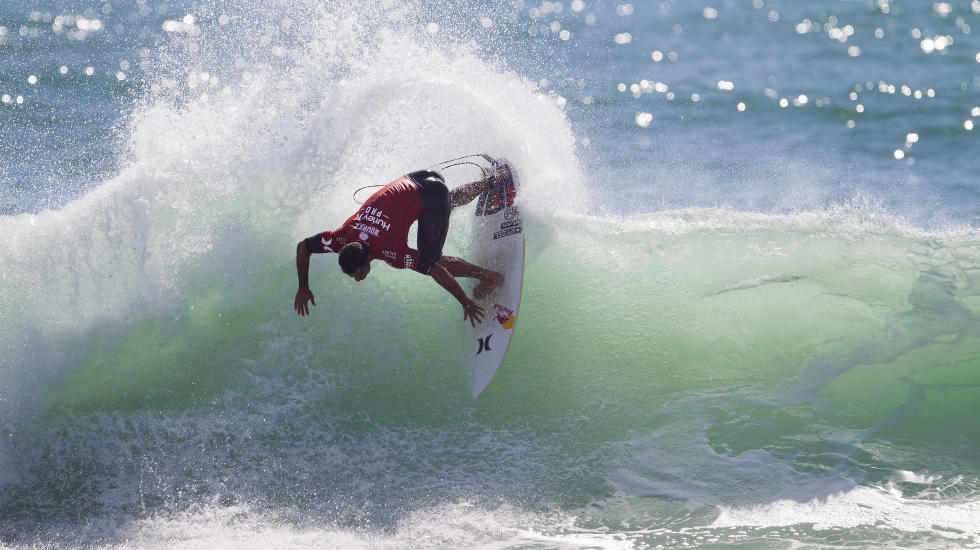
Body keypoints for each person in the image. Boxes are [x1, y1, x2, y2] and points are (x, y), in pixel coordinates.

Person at [293, 166, 506, 326]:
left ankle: (489, 276)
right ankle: (492, 180)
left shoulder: (390, 250)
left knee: (433, 259)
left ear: (367, 261)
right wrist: (303, 286)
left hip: (429, 195)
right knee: (445, 200)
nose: (357, 279)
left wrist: (464, 300)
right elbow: (304, 247)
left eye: (357, 274)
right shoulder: (341, 237)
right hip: (419, 176)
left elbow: (435, 270)